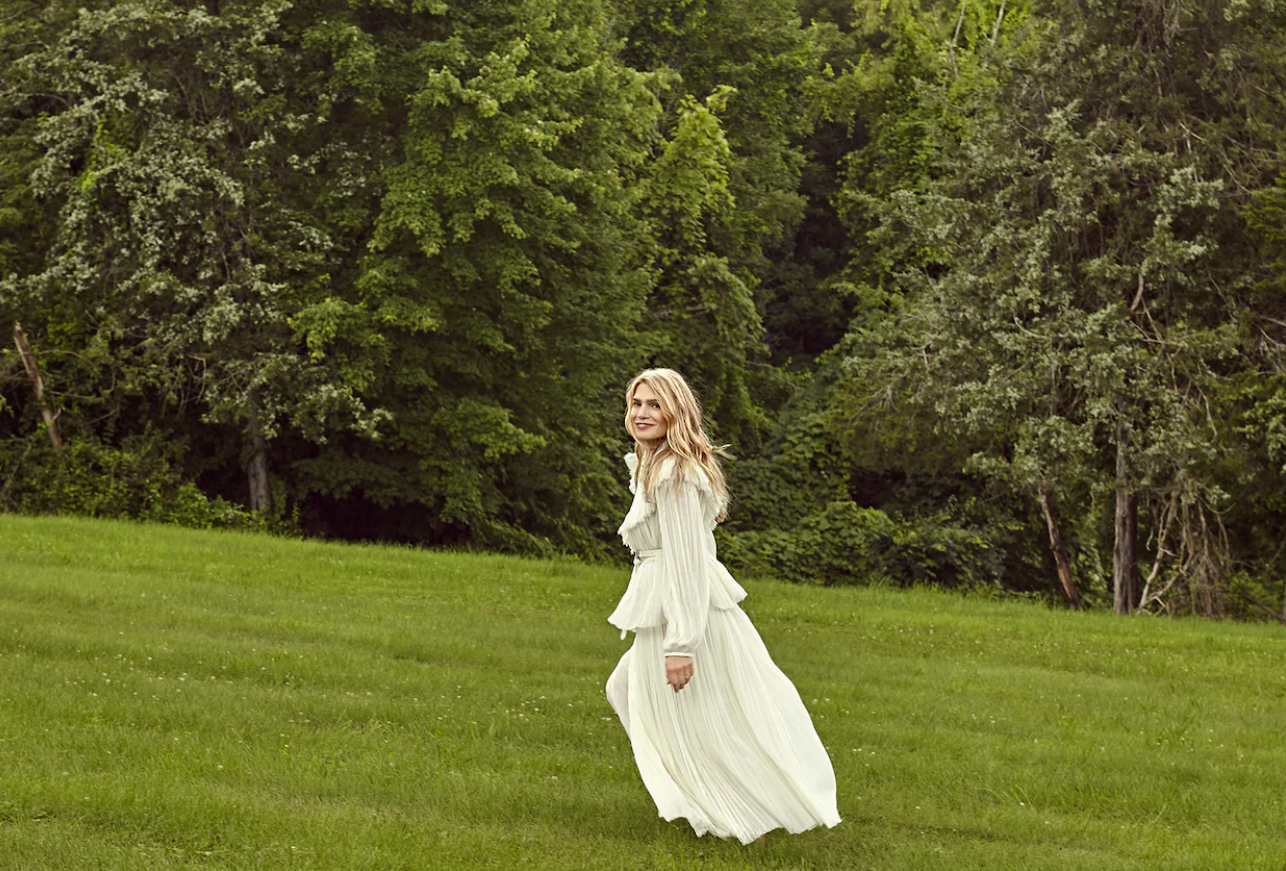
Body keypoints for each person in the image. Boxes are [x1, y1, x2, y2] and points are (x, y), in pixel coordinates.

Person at [605, 368, 840, 844]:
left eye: (654, 404)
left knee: (709, 711)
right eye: (636, 404)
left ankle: (728, 809)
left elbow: (689, 562)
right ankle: (701, 799)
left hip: (683, 610)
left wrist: (682, 643)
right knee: (630, 687)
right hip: (665, 602)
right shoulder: (650, 465)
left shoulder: (674, 473)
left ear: (677, 412)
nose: (642, 413)